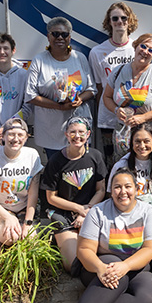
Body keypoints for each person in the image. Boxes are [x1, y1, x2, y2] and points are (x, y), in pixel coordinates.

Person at [52, 168, 152, 303]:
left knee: (148, 301)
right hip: (98, 268)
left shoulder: (148, 211)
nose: (123, 191)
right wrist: (101, 268)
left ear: (136, 189)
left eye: (128, 186)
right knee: (115, 269)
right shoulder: (98, 212)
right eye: (117, 187)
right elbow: (84, 250)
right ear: (111, 190)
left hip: (136, 267)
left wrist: (126, 266)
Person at [40, 117, 107, 272]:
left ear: (88, 134)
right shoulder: (56, 161)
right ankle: (62, 240)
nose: (77, 136)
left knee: (99, 253)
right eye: (73, 132)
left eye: (81, 132)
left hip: (90, 210)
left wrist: (86, 212)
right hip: (63, 212)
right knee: (73, 265)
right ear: (66, 134)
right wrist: (79, 209)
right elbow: (51, 197)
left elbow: (101, 190)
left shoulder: (95, 156)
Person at [27, 17, 96, 158]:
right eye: (55, 34)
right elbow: (30, 95)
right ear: (48, 36)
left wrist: (80, 99)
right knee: (56, 171)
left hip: (78, 129)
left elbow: (91, 89)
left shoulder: (80, 58)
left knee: (79, 169)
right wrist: (58, 106)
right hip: (50, 130)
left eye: (64, 34)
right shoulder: (39, 60)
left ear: (69, 38)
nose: (60, 37)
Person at [106, 124, 152, 266]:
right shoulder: (121, 166)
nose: (142, 145)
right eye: (137, 141)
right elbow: (111, 196)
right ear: (131, 143)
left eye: (146, 141)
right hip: (128, 218)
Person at [102, 33, 152, 158]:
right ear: (136, 46)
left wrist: (143, 118)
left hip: (149, 136)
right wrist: (116, 110)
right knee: (123, 171)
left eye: (151, 50)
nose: (145, 51)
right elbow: (106, 97)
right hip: (123, 135)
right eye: (143, 46)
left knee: (148, 172)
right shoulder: (118, 70)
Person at [0, 119, 43, 245]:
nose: (15, 139)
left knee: (30, 240)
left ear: (26, 138)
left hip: (23, 206)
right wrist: (7, 217)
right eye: (11, 134)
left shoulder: (32, 155)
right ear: (3, 136)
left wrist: (28, 223)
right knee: (10, 237)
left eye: (20, 135)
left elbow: (33, 193)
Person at [89, 3, 138, 160]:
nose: (120, 22)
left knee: (135, 158)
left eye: (124, 18)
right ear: (109, 22)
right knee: (111, 161)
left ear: (130, 21)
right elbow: (98, 87)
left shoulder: (138, 48)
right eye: (115, 18)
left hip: (135, 116)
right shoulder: (97, 52)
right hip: (108, 119)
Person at [0, 33, 32, 146]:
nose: (2, 52)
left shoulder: (23, 75)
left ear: (13, 50)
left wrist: (8, 128)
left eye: (6, 48)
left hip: (17, 135)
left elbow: (27, 107)